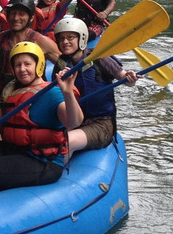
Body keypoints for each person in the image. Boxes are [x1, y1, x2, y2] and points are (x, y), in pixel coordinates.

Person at [0, 41, 82, 198]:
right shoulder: (14, 91)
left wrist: (68, 93)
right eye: (17, 65)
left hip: (41, 162)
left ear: (39, 65)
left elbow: (74, 122)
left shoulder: (52, 93)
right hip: (12, 151)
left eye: (27, 64)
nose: (22, 69)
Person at [52, 17, 138, 152]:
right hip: (72, 121)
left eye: (70, 37)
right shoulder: (61, 64)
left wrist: (130, 77)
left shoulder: (99, 58)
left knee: (64, 141)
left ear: (81, 39)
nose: (65, 42)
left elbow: (124, 78)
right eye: (61, 38)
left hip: (100, 123)